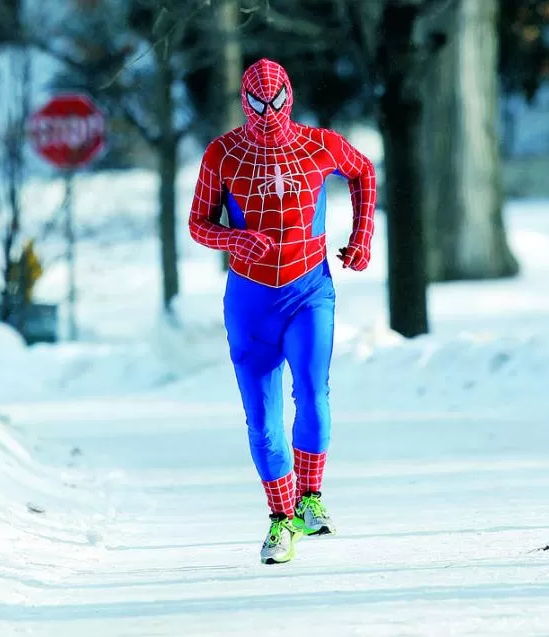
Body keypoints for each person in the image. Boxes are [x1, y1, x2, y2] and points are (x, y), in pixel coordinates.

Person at [187, 58, 376, 564]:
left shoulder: (320, 144)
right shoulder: (222, 154)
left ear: (289, 96)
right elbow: (197, 224)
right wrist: (232, 238)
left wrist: (362, 238)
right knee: (262, 422)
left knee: (313, 389)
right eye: (256, 103)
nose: (267, 112)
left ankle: (311, 498)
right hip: (250, 302)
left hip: (309, 290)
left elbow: (363, 172)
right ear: (243, 102)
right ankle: (281, 519)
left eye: (275, 101)